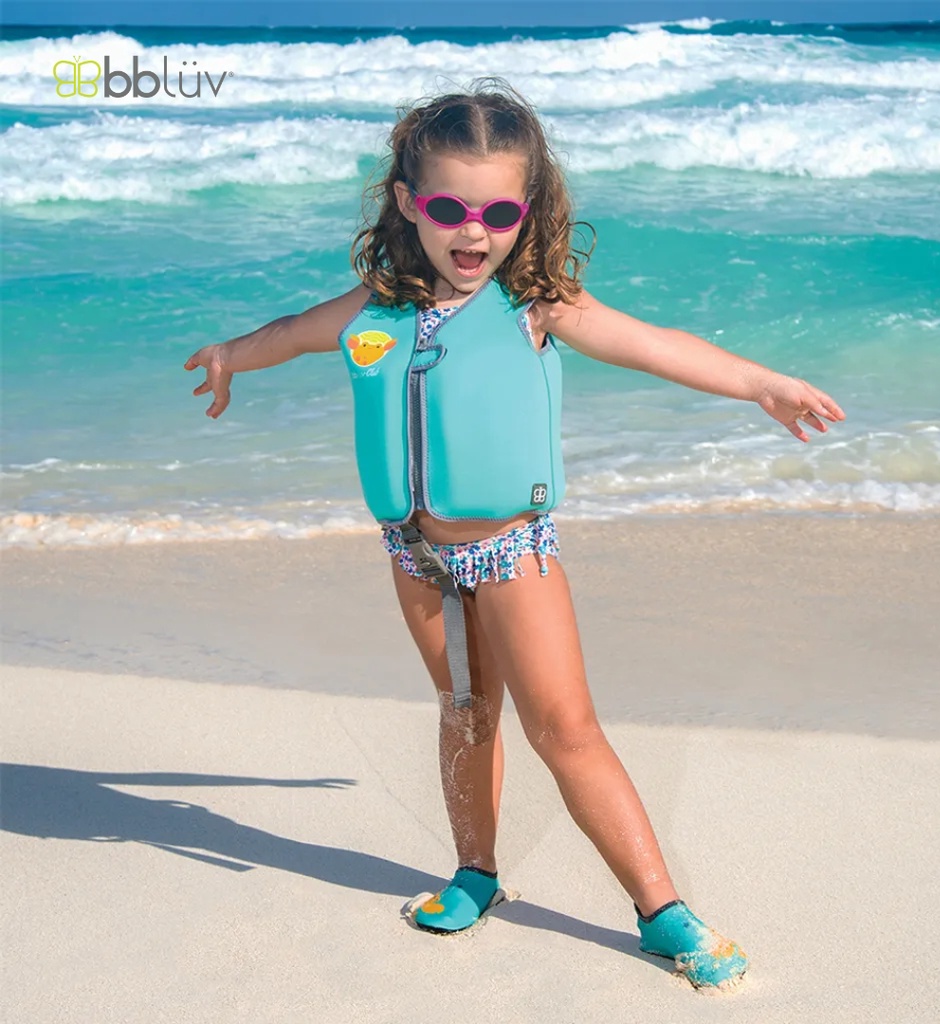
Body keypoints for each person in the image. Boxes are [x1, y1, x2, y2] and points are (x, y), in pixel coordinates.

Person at [184, 78, 844, 991]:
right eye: (449, 209)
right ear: (409, 203)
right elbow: (294, 333)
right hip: (415, 556)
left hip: (510, 553)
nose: (473, 233)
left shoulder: (534, 304)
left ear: (525, 211)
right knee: (465, 712)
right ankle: (476, 874)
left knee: (564, 729)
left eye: (497, 213)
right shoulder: (376, 308)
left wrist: (759, 383)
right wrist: (230, 356)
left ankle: (661, 911)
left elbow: (654, 342)